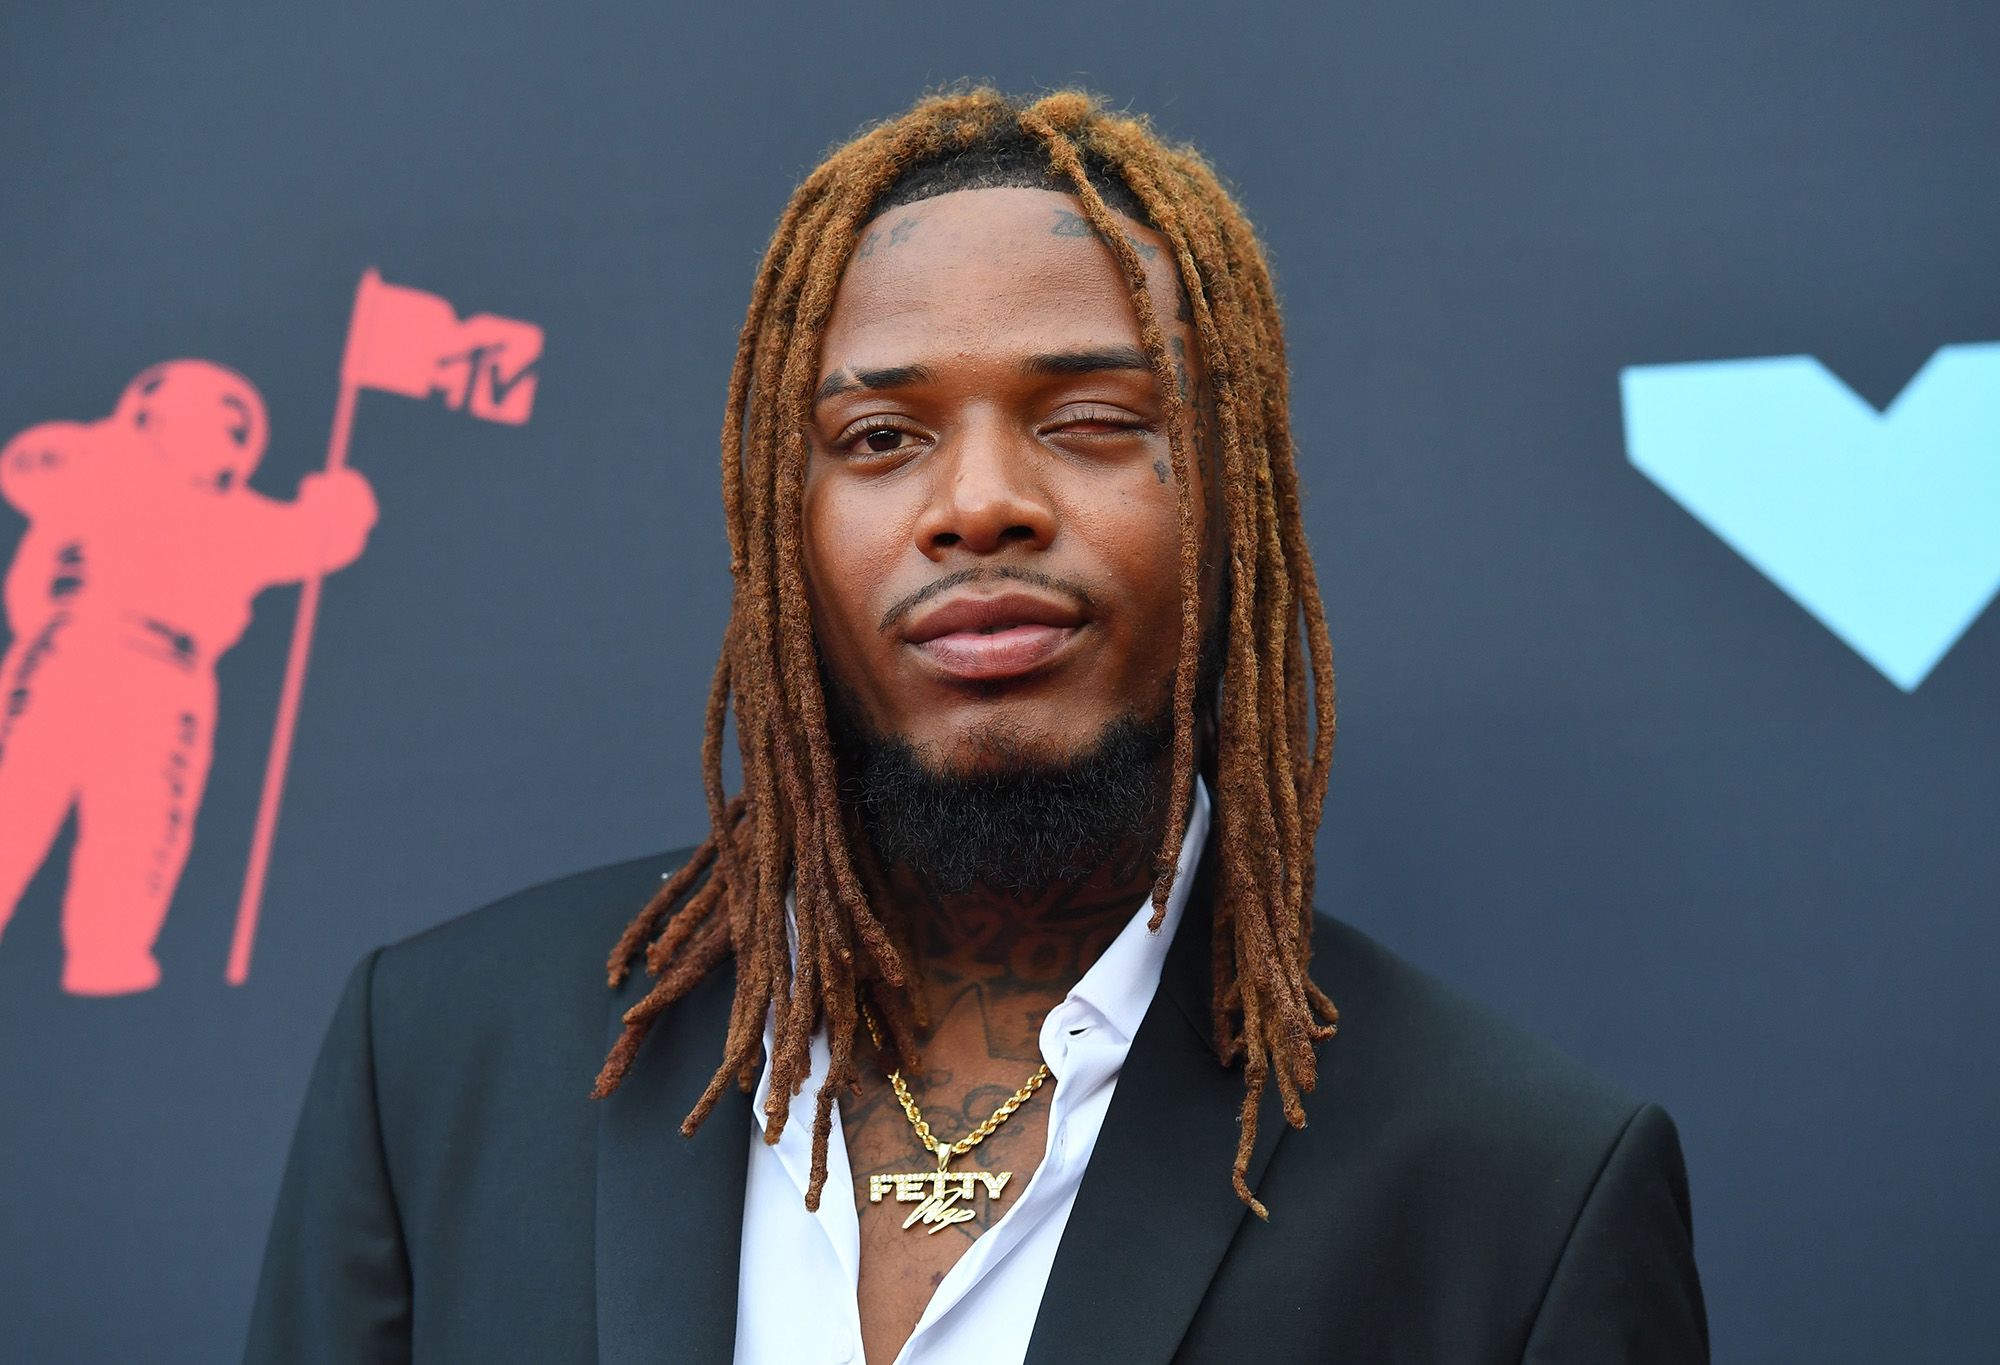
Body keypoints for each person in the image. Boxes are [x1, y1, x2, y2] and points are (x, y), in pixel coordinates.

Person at [245, 87, 1707, 1363]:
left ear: (1232, 503)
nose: (978, 503)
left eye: (1090, 418)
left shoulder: (1517, 1194)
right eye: (882, 439)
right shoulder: (438, 1066)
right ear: (780, 525)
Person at [0, 361, 376, 994]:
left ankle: (109, 955)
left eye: (235, 428)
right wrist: (103, 447)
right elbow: (28, 465)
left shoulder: (237, 518)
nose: (221, 436)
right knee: (18, 794)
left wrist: (337, 508)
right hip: (72, 647)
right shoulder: (97, 469)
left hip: (168, 676)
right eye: (208, 418)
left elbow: (308, 540)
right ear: (149, 414)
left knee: (141, 818)